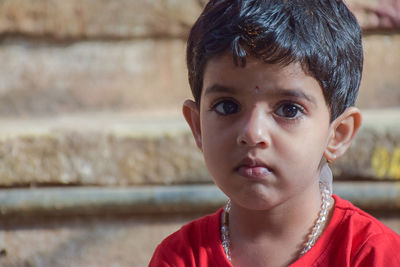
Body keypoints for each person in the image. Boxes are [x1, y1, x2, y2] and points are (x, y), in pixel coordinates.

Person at [149, 0, 400, 266]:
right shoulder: (180, 257)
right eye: (227, 106)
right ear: (198, 126)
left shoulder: (373, 255)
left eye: (289, 110)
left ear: (337, 134)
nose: (253, 132)